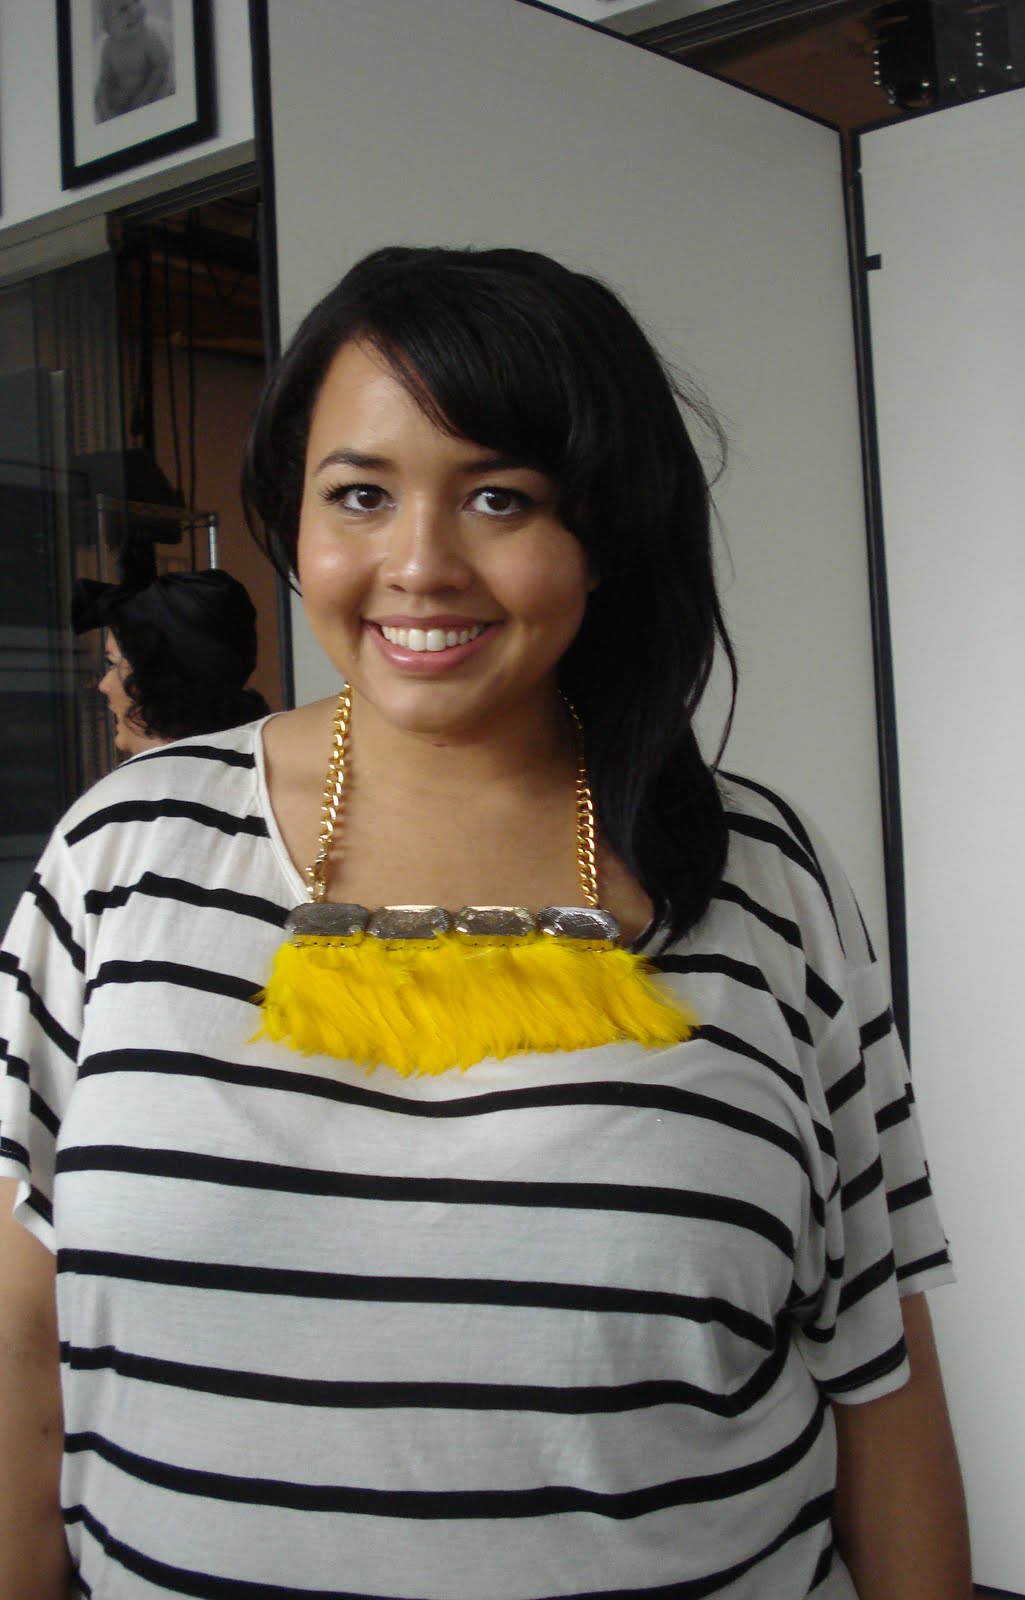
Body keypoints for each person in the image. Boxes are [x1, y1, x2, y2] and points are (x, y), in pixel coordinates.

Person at [0, 246, 971, 1599]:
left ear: (602, 532)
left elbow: (877, 1370)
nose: (418, 565)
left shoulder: (764, 878)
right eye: (359, 494)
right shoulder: (120, 855)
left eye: (499, 497)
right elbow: (23, 1343)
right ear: (294, 515)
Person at [71, 553, 271, 759]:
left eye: (113, 664)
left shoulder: (146, 779)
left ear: (160, 681)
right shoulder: (257, 761)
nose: (103, 685)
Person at [94, 0, 173, 124]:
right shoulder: (108, 48)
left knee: (167, 89)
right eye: (123, 9)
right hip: (124, 99)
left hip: (151, 90)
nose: (135, 10)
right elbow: (105, 79)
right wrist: (103, 106)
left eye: (136, 1)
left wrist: (145, 95)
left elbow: (161, 66)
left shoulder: (148, 38)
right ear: (107, 27)